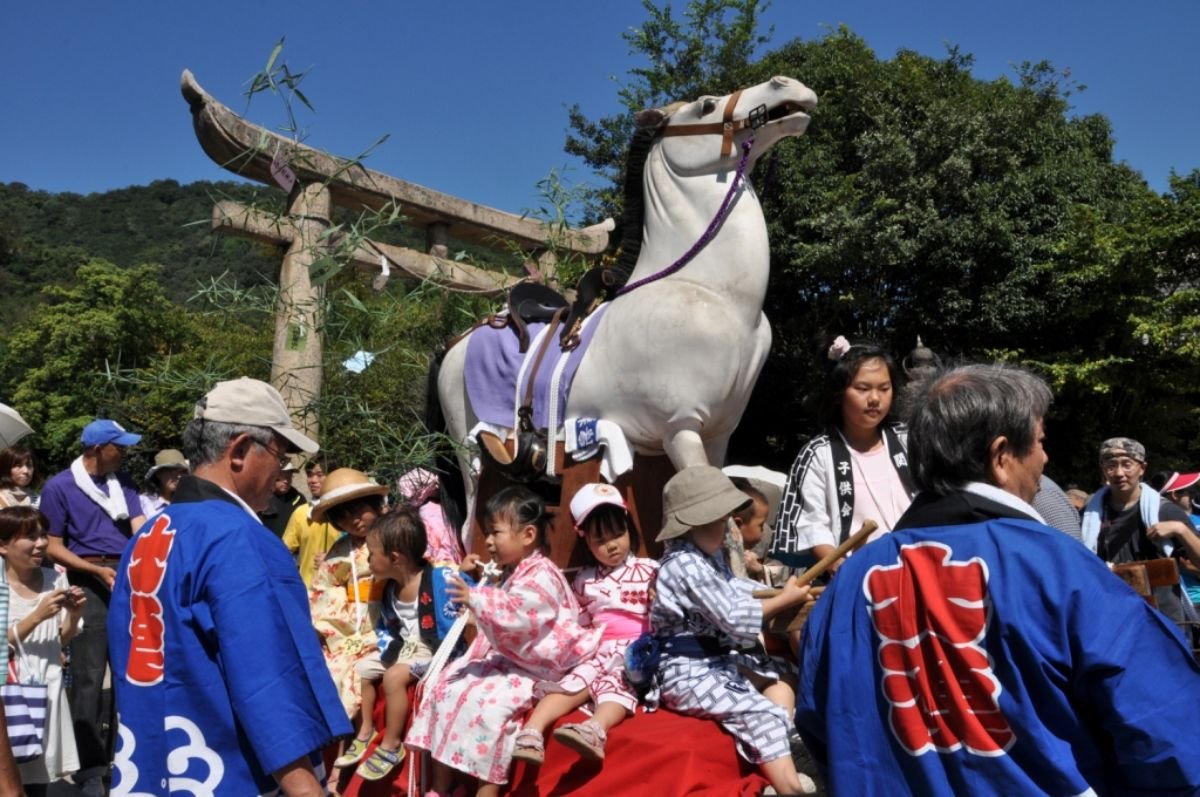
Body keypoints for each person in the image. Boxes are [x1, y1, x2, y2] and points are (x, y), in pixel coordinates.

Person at [796, 363, 1200, 795]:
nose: (1045, 460)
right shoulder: (1057, 567)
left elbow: (821, 722)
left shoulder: (848, 582)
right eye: (1041, 442)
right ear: (1001, 455)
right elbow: (1169, 733)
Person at [107, 377, 350, 795]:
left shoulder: (147, 536)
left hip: (150, 767)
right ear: (239, 450)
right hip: (225, 774)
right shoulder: (238, 539)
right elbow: (269, 682)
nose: (283, 471)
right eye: (281, 453)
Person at [405, 486, 601, 797]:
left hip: (540, 667)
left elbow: (521, 615)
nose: (488, 541)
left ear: (528, 535)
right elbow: (508, 614)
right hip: (517, 660)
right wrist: (476, 606)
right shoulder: (519, 572)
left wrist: (477, 599)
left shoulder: (542, 575)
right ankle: (441, 788)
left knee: (490, 711)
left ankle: (487, 791)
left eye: (495, 532)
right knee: (447, 688)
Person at [647, 466, 815, 796]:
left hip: (714, 662)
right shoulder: (684, 564)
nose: (726, 528)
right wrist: (784, 599)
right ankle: (788, 785)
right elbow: (732, 614)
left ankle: (783, 751)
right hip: (687, 671)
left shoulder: (707, 558)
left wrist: (785, 594)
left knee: (782, 673)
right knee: (762, 712)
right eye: (718, 519)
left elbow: (738, 590)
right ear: (690, 524)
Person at [514, 483, 658, 764]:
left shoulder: (652, 570)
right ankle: (531, 732)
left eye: (618, 533)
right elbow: (578, 622)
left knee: (617, 686)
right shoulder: (585, 580)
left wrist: (660, 599)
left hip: (636, 653)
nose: (612, 544)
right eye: (600, 540)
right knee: (572, 683)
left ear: (629, 530)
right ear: (585, 540)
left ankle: (595, 729)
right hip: (597, 648)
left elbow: (668, 614)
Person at [39, 418, 145, 795]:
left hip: (127, 575)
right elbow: (52, 544)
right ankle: (89, 766)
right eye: (121, 446)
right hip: (86, 577)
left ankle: (124, 756)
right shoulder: (59, 486)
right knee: (87, 675)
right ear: (99, 449)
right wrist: (95, 571)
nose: (127, 452)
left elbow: (140, 526)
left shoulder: (125, 482)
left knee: (129, 672)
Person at [771, 337, 915, 574]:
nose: (875, 399)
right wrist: (839, 567)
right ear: (839, 393)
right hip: (859, 575)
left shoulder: (909, 441)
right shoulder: (818, 453)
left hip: (915, 567)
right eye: (863, 388)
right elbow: (812, 522)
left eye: (884, 388)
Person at [346, 508, 457, 782]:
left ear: (394, 558)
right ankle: (366, 729)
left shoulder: (439, 580)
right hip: (405, 647)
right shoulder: (389, 588)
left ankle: (392, 744)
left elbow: (470, 596)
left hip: (434, 651)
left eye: (372, 554)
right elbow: (391, 629)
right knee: (362, 669)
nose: (368, 560)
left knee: (394, 677)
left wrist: (468, 580)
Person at [0, 506, 86, 794]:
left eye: (42, 535)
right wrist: (37, 616)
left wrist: (73, 615)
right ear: (3, 545)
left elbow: (61, 639)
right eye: (29, 537)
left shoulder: (55, 579)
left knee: (40, 778)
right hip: (10, 692)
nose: (40, 544)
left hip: (47, 689)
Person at [1080, 437, 1200, 626]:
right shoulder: (1089, 515)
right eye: (1111, 465)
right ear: (1103, 470)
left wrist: (1181, 530)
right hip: (1112, 616)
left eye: (1127, 465)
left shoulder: (1164, 510)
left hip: (1163, 619)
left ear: (1142, 468)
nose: (1119, 473)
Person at [306, 469, 389, 719]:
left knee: (354, 671)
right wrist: (341, 631)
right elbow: (324, 588)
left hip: (387, 621)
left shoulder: (395, 533)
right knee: (326, 669)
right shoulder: (341, 549)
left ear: (376, 505)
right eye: (342, 518)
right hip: (348, 626)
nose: (352, 521)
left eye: (358, 511)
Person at [282, 454, 340, 587]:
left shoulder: (347, 513)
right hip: (307, 592)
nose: (313, 480)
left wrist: (334, 561)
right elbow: (284, 551)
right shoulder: (300, 513)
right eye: (309, 474)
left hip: (340, 592)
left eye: (320, 475)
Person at [1163, 472, 1200, 613]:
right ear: (1174, 495)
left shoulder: (1196, 519)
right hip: (1192, 601)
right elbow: (1187, 564)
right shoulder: (1166, 526)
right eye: (1187, 491)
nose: (1191, 495)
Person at [137, 448, 188, 518]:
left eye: (182, 471)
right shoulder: (144, 502)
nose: (179, 476)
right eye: (172, 471)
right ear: (159, 474)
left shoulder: (188, 501)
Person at [259, 461, 305, 538]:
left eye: (289, 477)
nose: (286, 481)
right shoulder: (261, 497)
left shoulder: (299, 498)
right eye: (283, 476)